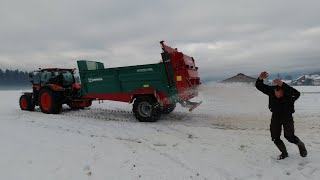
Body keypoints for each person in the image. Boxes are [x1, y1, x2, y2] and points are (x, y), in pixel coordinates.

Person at [256, 72, 307, 160]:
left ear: (283, 91)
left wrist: (283, 84)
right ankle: (284, 153)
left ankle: (300, 145)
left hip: (287, 117)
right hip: (275, 116)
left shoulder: (289, 94)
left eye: (280, 93)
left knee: (289, 136)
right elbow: (260, 87)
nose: (278, 95)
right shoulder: (271, 91)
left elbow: (297, 94)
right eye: (276, 93)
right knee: (275, 137)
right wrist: (260, 79)